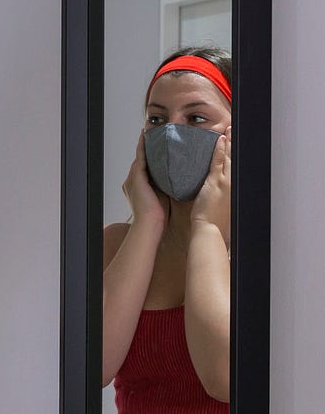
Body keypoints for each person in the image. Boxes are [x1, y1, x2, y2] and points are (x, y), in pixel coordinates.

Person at [102, 47, 234, 412]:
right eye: (157, 121)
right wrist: (148, 221)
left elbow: (224, 378)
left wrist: (206, 226)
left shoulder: (264, 253)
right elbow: (89, 366)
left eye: (195, 118)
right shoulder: (115, 244)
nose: (173, 134)